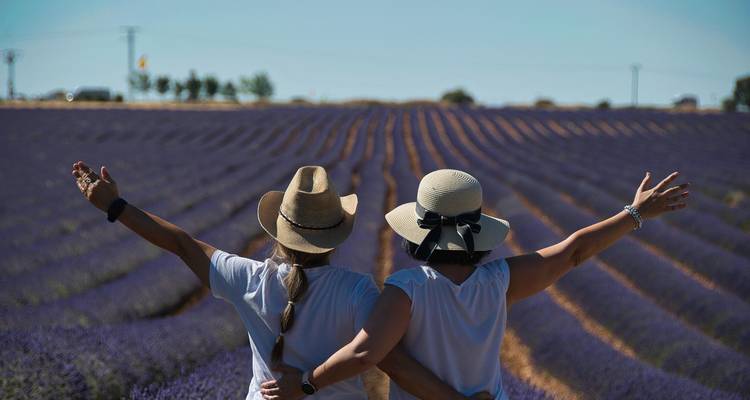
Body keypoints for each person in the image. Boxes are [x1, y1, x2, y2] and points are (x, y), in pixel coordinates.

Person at [71, 161, 489, 400]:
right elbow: (385, 357)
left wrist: (115, 206)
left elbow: (181, 243)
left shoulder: (248, 278)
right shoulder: (358, 288)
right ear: (335, 235)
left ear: (278, 230)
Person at [260, 169, 689, 400]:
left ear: (417, 231)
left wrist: (308, 382)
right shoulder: (499, 280)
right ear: (478, 231)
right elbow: (573, 251)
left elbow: (370, 353)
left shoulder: (406, 288)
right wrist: (635, 215)